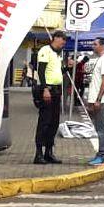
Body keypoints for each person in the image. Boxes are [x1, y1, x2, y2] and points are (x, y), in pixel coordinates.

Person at [34, 31, 66, 164]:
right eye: (62, 40)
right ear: (55, 38)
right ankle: (38, 154)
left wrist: (68, 68)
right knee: (44, 122)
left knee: (54, 122)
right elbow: (41, 71)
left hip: (57, 91)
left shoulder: (58, 54)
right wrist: (45, 88)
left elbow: (58, 72)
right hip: (47, 90)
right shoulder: (45, 50)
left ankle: (49, 152)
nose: (63, 43)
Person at [87, 38, 104, 166]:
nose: (93, 46)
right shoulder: (100, 59)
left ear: (102, 46)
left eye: (95, 44)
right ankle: (100, 153)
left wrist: (98, 99)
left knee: (102, 129)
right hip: (97, 100)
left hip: (102, 101)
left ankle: (103, 155)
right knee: (99, 128)